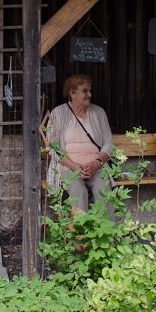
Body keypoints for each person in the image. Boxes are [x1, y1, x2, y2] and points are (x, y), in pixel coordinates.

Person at [44, 73, 115, 215]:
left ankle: (107, 234)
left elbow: (108, 144)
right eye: (85, 91)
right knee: (78, 192)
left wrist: (96, 163)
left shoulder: (99, 112)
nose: (89, 94)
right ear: (72, 93)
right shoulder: (58, 113)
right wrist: (75, 167)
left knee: (104, 192)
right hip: (68, 168)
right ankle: (79, 235)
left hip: (96, 167)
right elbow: (53, 147)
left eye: (90, 90)